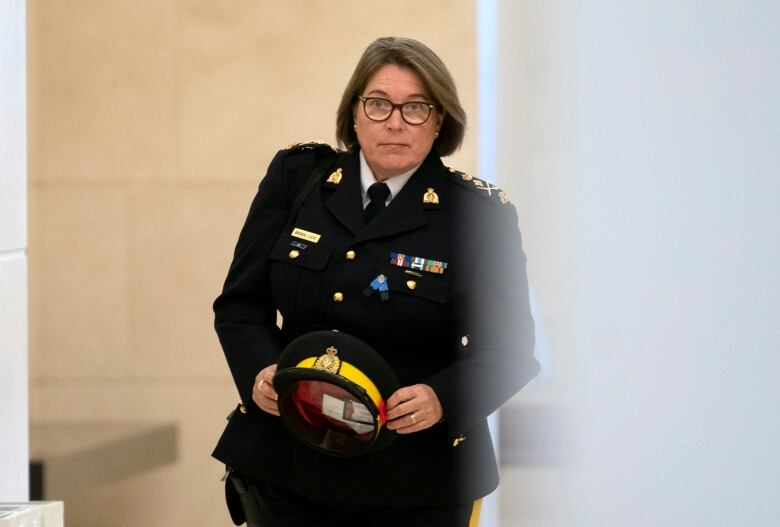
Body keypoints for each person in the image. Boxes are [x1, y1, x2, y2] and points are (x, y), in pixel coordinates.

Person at [212, 36, 539, 526]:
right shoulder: (296, 178)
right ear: (355, 113)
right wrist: (261, 371)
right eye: (379, 104)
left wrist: (442, 398)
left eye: (415, 108)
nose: (394, 122)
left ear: (438, 123)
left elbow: (510, 351)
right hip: (289, 464)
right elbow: (239, 308)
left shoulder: (477, 215)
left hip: (414, 479)